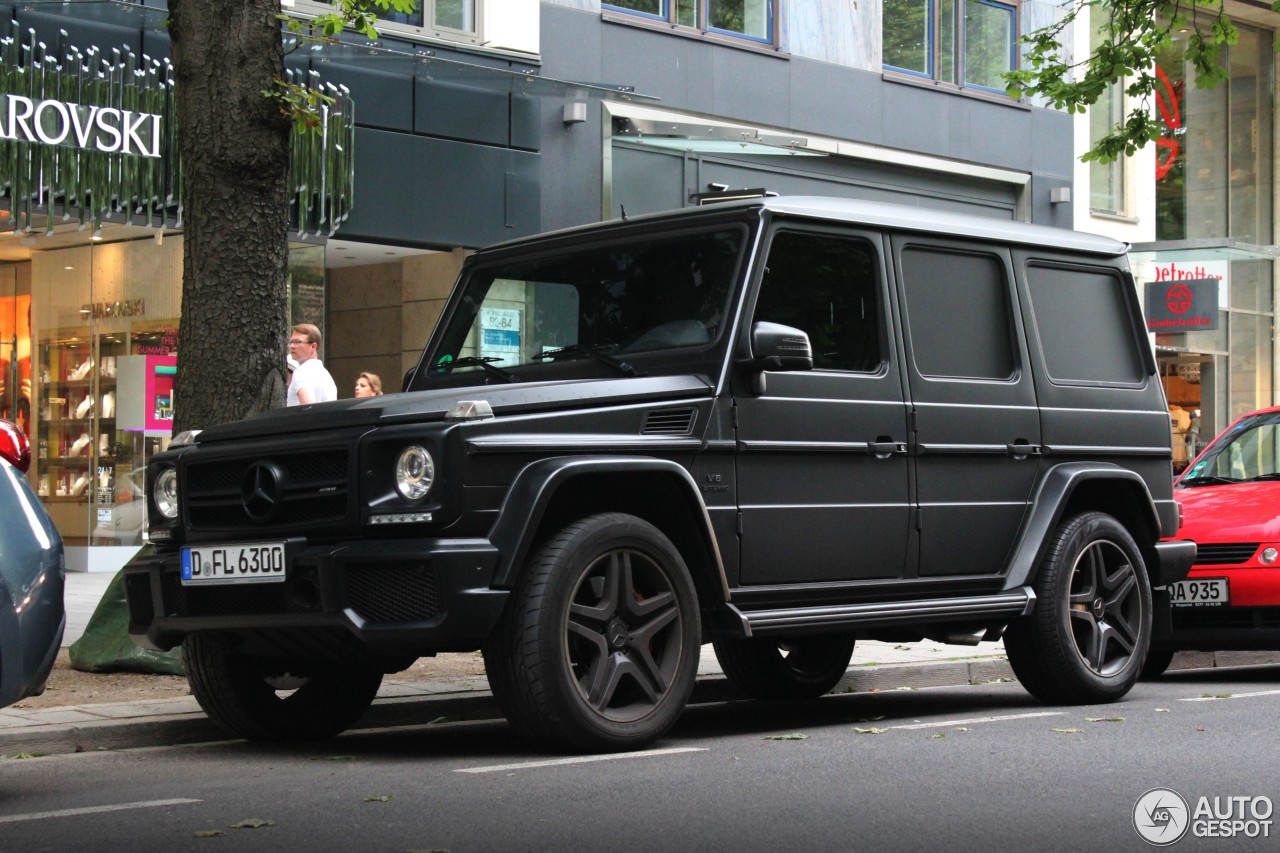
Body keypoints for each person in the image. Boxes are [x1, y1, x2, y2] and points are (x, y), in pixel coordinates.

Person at [286, 323, 337, 406]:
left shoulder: (301, 372)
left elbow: (308, 407)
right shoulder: (327, 376)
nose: (292, 346)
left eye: (298, 342)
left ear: (313, 346)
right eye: (291, 342)